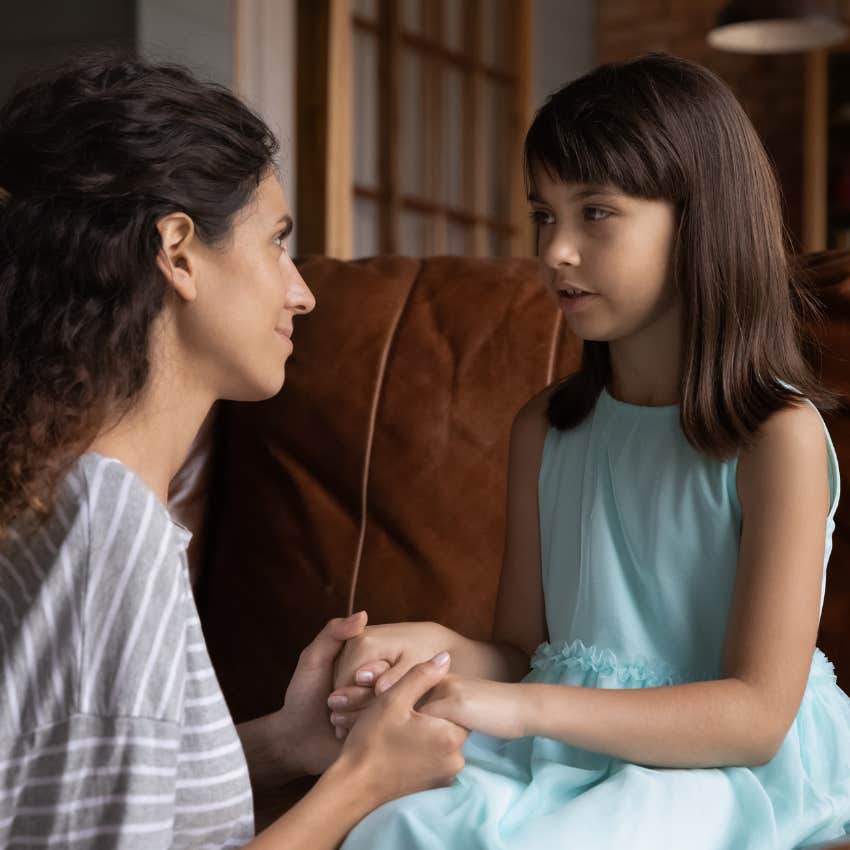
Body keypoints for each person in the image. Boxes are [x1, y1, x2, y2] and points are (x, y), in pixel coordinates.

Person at [328, 53, 850, 849]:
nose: (555, 251)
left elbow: (751, 718)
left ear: (699, 221)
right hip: (569, 749)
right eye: (544, 215)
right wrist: (435, 652)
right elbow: (518, 652)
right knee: (396, 826)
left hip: (722, 771)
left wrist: (516, 707)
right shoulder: (549, 428)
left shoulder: (777, 438)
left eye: (596, 213)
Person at [0, 55, 468, 849]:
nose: (303, 291)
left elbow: (86, 793)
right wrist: (365, 783)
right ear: (178, 253)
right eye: (276, 243)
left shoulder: (68, 497)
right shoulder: (110, 539)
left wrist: (287, 745)